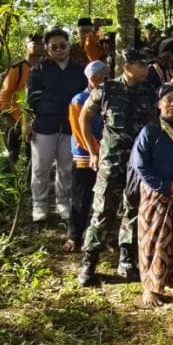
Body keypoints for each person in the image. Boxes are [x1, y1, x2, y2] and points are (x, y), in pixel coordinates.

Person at [77, 50, 158, 286]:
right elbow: (84, 117)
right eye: (141, 65)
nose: (146, 69)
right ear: (127, 65)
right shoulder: (106, 89)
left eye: (147, 65)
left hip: (137, 163)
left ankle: (126, 260)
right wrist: (92, 150)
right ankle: (89, 263)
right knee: (103, 211)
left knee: (133, 209)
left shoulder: (148, 92)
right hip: (111, 160)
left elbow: (153, 126)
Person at [133, 84, 173, 307]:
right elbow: (140, 165)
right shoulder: (150, 131)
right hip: (157, 194)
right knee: (153, 240)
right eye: (168, 99)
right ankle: (151, 287)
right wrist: (164, 186)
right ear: (159, 103)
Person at [27, 28, 88, 223]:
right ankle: (39, 205)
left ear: (69, 46)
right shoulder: (39, 70)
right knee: (40, 167)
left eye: (63, 46)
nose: (59, 50)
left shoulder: (79, 71)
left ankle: (63, 203)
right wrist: (51, 107)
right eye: (54, 47)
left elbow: (85, 97)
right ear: (47, 48)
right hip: (45, 124)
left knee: (66, 167)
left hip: (71, 126)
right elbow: (32, 99)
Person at [63, 61, 106, 253]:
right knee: (81, 196)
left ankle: (99, 235)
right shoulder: (79, 100)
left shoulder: (109, 96)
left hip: (107, 153)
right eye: (102, 74)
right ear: (93, 77)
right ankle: (74, 235)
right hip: (84, 154)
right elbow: (79, 130)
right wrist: (94, 151)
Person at [0, 33, 44, 165]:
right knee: (11, 155)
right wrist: (8, 116)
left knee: (33, 158)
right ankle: (9, 183)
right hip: (15, 119)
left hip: (36, 121)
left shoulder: (45, 69)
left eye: (41, 44)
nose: (39, 46)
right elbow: (5, 93)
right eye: (34, 43)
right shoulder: (17, 68)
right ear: (25, 46)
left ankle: (29, 185)